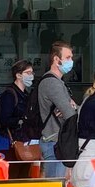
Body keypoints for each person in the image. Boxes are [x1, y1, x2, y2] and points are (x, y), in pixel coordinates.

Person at [38, 41, 78, 178]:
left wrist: (71, 108)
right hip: (53, 141)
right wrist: (71, 107)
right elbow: (69, 113)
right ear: (56, 59)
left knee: (57, 185)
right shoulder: (52, 82)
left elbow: (70, 110)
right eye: (68, 58)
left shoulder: (58, 82)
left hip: (56, 141)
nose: (71, 61)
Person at [0, 60, 34, 178]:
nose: (31, 76)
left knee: (23, 175)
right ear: (18, 75)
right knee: (12, 176)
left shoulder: (26, 94)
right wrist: (21, 120)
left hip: (23, 141)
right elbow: (4, 120)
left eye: (32, 72)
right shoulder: (9, 94)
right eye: (28, 72)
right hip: (9, 142)